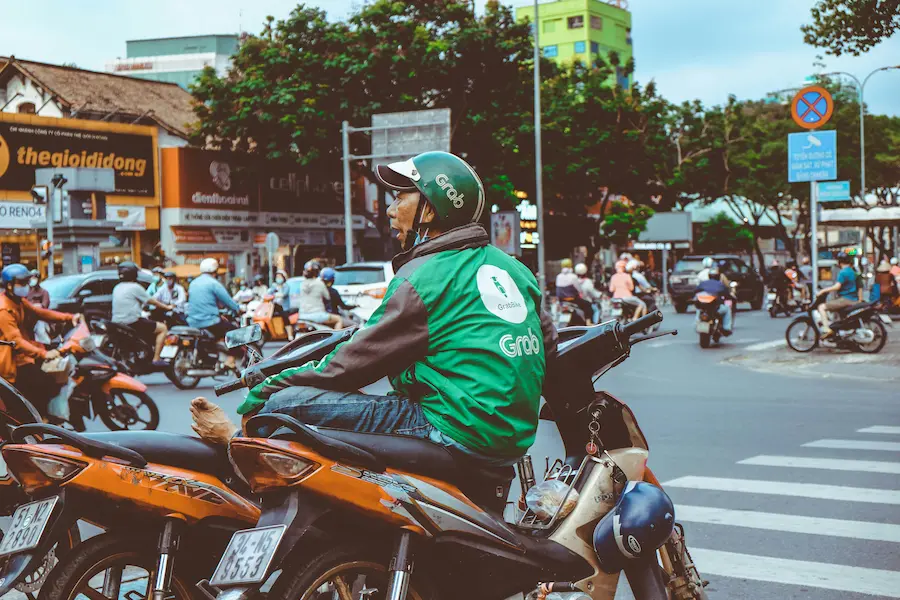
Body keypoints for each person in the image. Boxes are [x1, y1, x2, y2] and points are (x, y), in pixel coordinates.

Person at [191, 150, 556, 470]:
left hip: (453, 427)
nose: (391, 209)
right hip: (510, 436)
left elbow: (351, 366)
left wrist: (270, 386)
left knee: (283, 402)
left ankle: (235, 441)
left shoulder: (423, 277)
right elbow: (548, 349)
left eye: (400, 198)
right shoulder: (516, 270)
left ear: (429, 209)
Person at [0, 264, 81, 418]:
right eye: (21, 283)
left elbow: (40, 312)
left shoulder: (19, 301)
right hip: (11, 362)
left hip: (23, 355)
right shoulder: (4, 309)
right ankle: (37, 425)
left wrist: (69, 317)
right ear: (9, 285)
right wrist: (43, 354)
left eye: (26, 282)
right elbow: (15, 340)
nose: (25, 286)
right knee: (42, 386)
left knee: (45, 383)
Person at [112, 262, 173, 368]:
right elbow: (152, 301)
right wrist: (167, 307)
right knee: (163, 328)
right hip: (132, 322)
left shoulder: (117, 287)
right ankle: (156, 359)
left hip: (117, 323)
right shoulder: (135, 287)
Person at [186, 258, 243, 370]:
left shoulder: (193, 283)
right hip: (209, 321)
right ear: (214, 271)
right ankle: (231, 360)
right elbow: (227, 301)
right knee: (236, 333)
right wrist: (237, 309)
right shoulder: (214, 283)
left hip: (192, 321)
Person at [294, 261, 343, 329]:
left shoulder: (302, 284)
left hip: (302, 315)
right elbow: (327, 297)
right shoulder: (320, 283)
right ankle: (337, 339)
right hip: (318, 315)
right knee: (339, 319)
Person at [817, 254, 858, 335]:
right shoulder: (851, 271)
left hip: (846, 299)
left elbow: (837, 286)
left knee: (821, 307)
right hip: (853, 298)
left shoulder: (843, 272)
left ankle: (827, 329)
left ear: (839, 262)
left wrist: (823, 291)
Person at [694, 264, 733, 335]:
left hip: (704, 308)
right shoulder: (720, 284)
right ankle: (727, 328)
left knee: (698, 310)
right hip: (715, 309)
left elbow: (695, 291)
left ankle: (696, 323)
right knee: (727, 309)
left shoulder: (703, 283)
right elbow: (727, 295)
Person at [556, 259, 592, 323]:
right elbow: (579, 289)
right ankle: (588, 322)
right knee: (588, 304)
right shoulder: (573, 276)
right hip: (572, 300)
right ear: (570, 266)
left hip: (562, 301)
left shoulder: (558, 276)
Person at [26, 269, 52, 344]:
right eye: (31, 278)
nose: (32, 280)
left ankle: (45, 348)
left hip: (40, 319)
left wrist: (35, 306)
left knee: (40, 331)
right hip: (28, 319)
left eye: (34, 278)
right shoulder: (26, 292)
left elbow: (44, 306)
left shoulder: (44, 292)